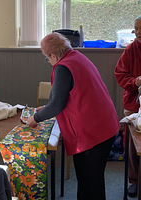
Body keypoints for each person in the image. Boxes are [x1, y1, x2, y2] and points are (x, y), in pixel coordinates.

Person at [27, 32, 120, 200]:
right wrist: (46, 108)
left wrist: (36, 118)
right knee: (90, 181)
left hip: (93, 133)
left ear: (53, 55)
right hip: (104, 125)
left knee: (90, 184)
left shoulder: (63, 67)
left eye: (47, 58)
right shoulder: (77, 56)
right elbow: (70, 95)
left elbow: (57, 104)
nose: (48, 62)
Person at [114, 15, 141, 198]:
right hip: (133, 103)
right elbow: (120, 75)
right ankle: (134, 181)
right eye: (136, 28)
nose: (138, 32)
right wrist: (136, 81)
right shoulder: (131, 49)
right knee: (132, 146)